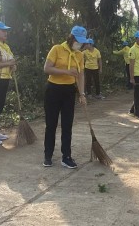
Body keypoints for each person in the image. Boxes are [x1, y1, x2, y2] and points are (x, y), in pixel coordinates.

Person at [42, 26, 88, 169]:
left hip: (69, 91)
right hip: (53, 89)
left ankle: (66, 156)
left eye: (81, 42)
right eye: (77, 41)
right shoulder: (56, 49)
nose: (79, 44)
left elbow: (80, 75)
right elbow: (47, 68)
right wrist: (66, 71)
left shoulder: (79, 55)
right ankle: (48, 155)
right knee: (51, 124)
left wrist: (82, 94)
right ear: (71, 38)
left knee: (67, 125)